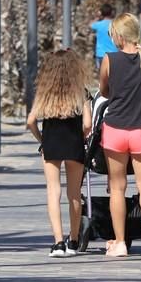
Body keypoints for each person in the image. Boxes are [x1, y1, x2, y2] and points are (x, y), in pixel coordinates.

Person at [99, 13, 141, 257]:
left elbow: (104, 90)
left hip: (115, 129)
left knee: (117, 188)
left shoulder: (109, 59)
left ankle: (119, 242)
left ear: (118, 34)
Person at [27, 49, 92, 257]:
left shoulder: (45, 92)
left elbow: (30, 121)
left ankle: (57, 243)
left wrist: (41, 139)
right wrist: (81, 136)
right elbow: (88, 124)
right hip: (74, 143)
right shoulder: (81, 92)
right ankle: (73, 241)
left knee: (52, 191)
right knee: (73, 193)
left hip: (51, 144)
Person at [91, 3, 118, 69]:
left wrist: (97, 17)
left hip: (101, 54)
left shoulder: (98, 25)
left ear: (101, 13)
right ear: (111, 12)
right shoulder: (115, 24)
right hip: (113, 53)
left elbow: (90, 25)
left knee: (102, 76)